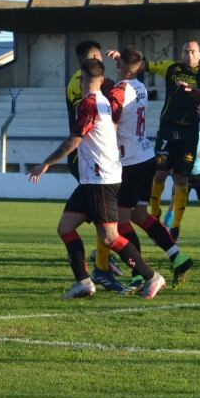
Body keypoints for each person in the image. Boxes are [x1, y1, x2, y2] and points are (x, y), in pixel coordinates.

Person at [29, 58, 166, 300]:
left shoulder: (89, 104)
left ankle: (151, 277)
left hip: (101, 179)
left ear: (81, 79)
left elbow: (75, 139)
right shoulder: (103, 102)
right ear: (101, 81)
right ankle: (83, 283)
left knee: (110, 237)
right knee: (65, 227)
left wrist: (46, 163)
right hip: (95, 178)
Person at [103, 47, 193, 291]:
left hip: (128, 162)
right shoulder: (140, 86)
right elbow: (130, 69)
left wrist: (102, 92)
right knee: (140, 215)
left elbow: (110, 120)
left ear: (121, 65)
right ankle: (177, 256)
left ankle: (138, 273)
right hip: (146, 157)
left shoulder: (118, 91)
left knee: (122, 222)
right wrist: (121, 62)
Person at [145, 40, 200, 222]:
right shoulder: (170, 68)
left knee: (181, 179)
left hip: (190, 130)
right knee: (159, 172)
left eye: (192, 52)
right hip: (168, 127)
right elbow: (143, 65)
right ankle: (154, 211)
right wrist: (123, 58)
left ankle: (175, 226)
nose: (188, 55)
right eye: (185, 51)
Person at [66, 40, 120, 281]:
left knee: (98, 220)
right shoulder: (86, 86)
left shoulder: (78, 81)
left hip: (89, 157)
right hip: (88, 158)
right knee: (105, 220)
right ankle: (103, 267)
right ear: (97, 56)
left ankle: (101, 265)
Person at [161, 117, 200, 250]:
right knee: (173, 206)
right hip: (184, 178)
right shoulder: (178, 141)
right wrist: (173, 173)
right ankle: (166, 238)